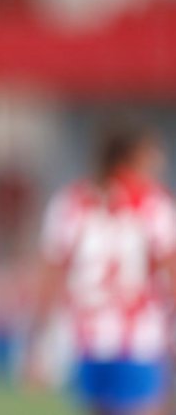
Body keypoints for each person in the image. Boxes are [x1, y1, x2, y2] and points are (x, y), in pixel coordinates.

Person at [26, 125, 176, 415]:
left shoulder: (71, 202)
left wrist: (37, 341)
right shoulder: (154, 204)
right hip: (139, 340)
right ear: (133, 157)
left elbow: (50, 276)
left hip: (87, 340)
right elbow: (171, 273)